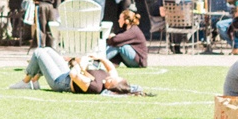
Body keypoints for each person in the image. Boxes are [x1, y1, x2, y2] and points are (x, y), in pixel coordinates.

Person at [14, 47, 143, 94]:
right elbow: (111, 68)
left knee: (39, 53)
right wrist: (101, 58)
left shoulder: (97, 87)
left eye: (113, 80)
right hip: (65, 74)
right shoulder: (108, 78)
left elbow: (74, 75)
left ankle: (26, 82)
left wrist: (80, 64)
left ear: (110, 87)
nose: (112, 77)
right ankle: (34, 81)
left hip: (60, 81)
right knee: (48, 50)